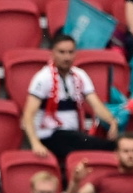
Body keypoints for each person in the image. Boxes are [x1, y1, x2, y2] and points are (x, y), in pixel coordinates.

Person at [22, 35, 119, 165]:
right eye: (62, 52)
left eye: (70, 52)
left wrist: (112, 121)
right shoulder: (43, 78)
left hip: (72, 135)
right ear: (52, 53)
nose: (66, 57)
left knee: (113, 145)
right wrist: (35, 144)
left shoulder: (80, 75)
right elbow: (28, 114)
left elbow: (96, 104)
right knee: (103, 147)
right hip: (50, 135)